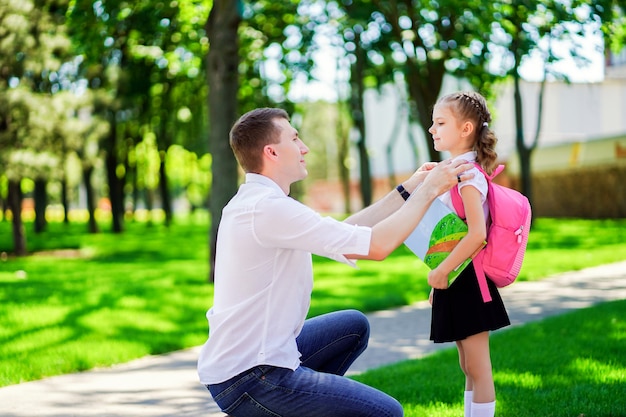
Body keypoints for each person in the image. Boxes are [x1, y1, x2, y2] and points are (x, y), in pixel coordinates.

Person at [197, 107, 473, 417]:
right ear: (271, 152)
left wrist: (408, 189)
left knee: (352, 327)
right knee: (387, 413)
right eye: (295, 138)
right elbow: (377, 246)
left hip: (251, 359)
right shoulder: (267, 208)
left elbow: (349, 231)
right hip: (252, 376)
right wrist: (432, 189)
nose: (305, 148)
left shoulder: (261, 203)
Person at [426, 92, 511, 417]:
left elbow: (477, 234)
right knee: (467, 364)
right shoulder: (455, 170)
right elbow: (453, 236)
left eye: (440, 122)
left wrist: (442, 271)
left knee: (478, 365)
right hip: (458, 277)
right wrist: (439, 280)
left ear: (465, 128)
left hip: (471, 281)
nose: (432, 129)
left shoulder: (468, 175)